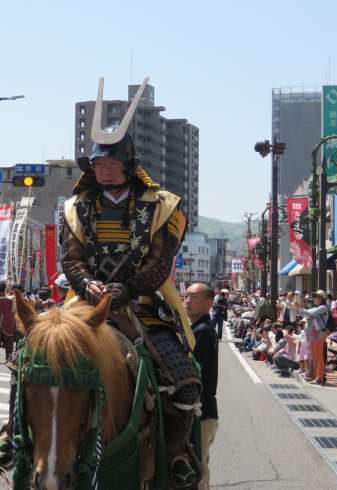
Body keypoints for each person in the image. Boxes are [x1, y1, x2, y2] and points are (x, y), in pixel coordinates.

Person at [61, 78, 201, 489]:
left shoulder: (163, 206)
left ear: (128, 164)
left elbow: (161, 262)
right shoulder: (76, 207)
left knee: (186, 383)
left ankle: (176, 452)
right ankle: (19, 440)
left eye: (110, 165)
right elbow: (70, 258)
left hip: (143, 304)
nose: (103, 172)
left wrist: (127, 289)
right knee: (33, 358)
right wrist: (89, 287)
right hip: (85, 303)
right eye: (98, 166)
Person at [183, 283, 218, 490]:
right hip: (197, 411)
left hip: (202, 413)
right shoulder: (193, 329)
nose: (187, 301)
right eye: (186, 296)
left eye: (193, 297)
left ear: (209, 303)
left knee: (199, 468)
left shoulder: (204, 331)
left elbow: (191, 369)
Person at [301, 290, 330, 384]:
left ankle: (319, 377)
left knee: (319, 356)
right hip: (314, 333)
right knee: (314, 356)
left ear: (321, 299)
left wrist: (299, 308)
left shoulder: (323, 307)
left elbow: (309, 314)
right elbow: (305, 313)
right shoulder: (318, 307)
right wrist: (300, 309)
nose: (314, 299)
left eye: (316, 297)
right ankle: (315, 376)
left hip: (319, 334)